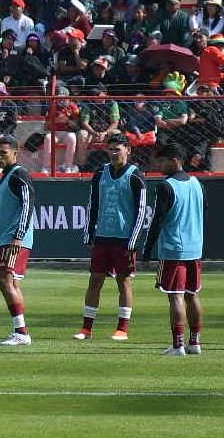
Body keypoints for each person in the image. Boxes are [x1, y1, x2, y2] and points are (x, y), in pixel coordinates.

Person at [75, 133, 147, 342]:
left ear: (128, 150)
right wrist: (89, 232)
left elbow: (141, 210)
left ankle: (122, 328)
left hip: (124, 238)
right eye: (111, 149)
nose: (114, 153)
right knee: (95, 280)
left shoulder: (135, 176)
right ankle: (86, 328)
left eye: (118, 149)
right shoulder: (100, 173)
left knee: (123, 282)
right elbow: (93, 203)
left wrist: (134, 240)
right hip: (103, 235)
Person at [141, 142, 205, 357]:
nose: (159, 165)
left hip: (173, 249)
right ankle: (195, 342)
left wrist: (148, 249)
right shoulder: (197, 183)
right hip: (195, 247)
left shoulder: (165, 186)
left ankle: (178, 345)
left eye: (162, 161)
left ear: (174, 160)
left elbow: (158, 220)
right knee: (192, 295)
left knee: (175, 296)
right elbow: (204, 210)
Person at [0, 135, 35, 346]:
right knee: (11, 282)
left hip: (16, 238)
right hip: (6, 238)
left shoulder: (19, 175)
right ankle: (21, 331)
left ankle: (21, 332)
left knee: (3, 280)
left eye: (3, 153)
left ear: (15, 154)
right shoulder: (4, 177)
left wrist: (19, 235)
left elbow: (28, 204)